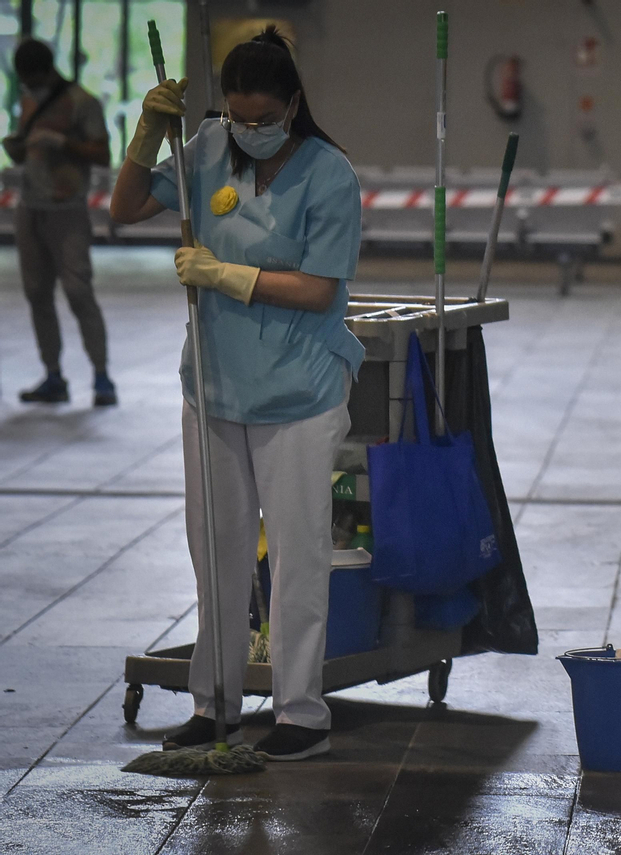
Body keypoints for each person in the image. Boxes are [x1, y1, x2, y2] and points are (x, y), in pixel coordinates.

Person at [109, 27, 363, 762]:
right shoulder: (208, 150)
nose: (248, 131)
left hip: (301, 390)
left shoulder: (328, 173)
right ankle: (212, 704)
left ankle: (301, 713)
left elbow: (319, 289)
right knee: (215, 553)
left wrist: (228, 276)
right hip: (215, 385)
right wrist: (148, 132)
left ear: (292, 104)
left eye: (262, 118)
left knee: (296, 556)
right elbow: (123, 209)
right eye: (236, 116)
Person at [3, 39, 115, 405]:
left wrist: (62, 142)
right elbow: (26, 149)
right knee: (37, 294)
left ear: (47, 70)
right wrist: (17, 146)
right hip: (30, 206)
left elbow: (102, 153)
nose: (28, 84)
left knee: (78, 292)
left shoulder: (82, 103)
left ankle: (101, 377)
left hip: (67, 210)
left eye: (31, 77)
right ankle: (53, 375)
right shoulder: (29, 99)